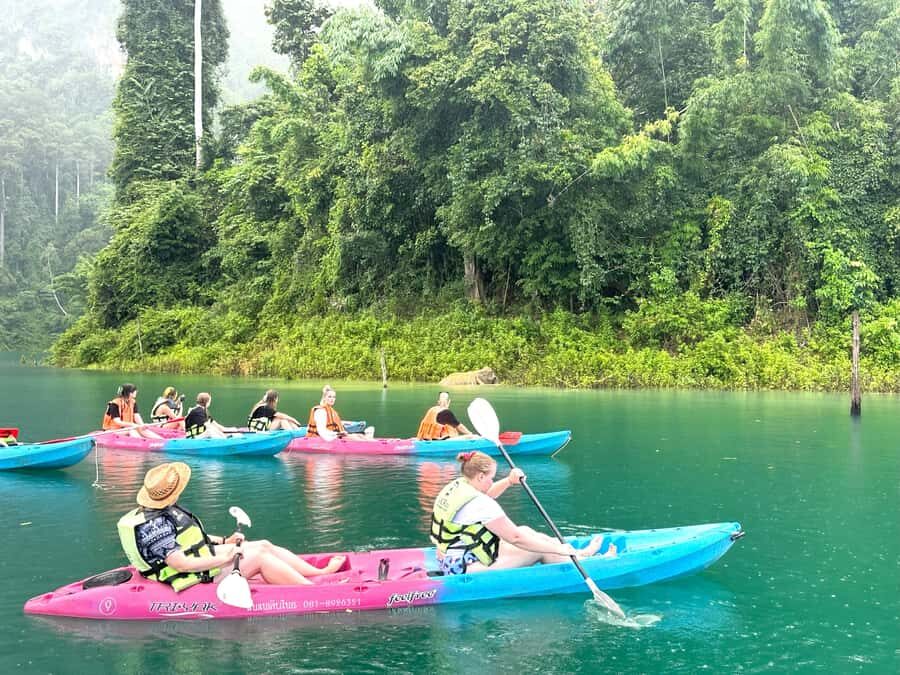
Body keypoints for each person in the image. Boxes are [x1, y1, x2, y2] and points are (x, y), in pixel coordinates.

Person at [117, 462, 346, 591]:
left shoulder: (163, 510)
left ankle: (319, 573)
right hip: (187, 576)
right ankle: (314, 592)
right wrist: (226, 558)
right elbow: (181, 563)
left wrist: (225, 542)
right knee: (259, 558)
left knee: (263, 545)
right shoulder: (154, 526)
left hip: (197, 561)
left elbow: (191, 538)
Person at [430, 451, 616, 575]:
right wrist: (557, 548)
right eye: (491, 478)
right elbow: (516, 538)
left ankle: (579, 554)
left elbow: (487, 492)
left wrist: (509, 481)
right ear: (480, 476)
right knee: (534, 550)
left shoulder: (458, 485)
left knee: (527, 530)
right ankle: (590, 565)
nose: (492, 481)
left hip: (456, 556)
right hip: (462, 568)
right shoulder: (480, 503)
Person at [306, 385, 372, 440]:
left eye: (334, 397)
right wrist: (337, 434)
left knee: (359, 436)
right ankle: (372, 445)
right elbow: (321, 431)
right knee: (355, 437)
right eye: (329, 397)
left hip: (333, 435)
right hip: (318, 438)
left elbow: (336, 423)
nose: (332, 399)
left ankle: (371, 442)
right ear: (324, 398)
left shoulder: (331, 410)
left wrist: (340, 433)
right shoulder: (320, 411)